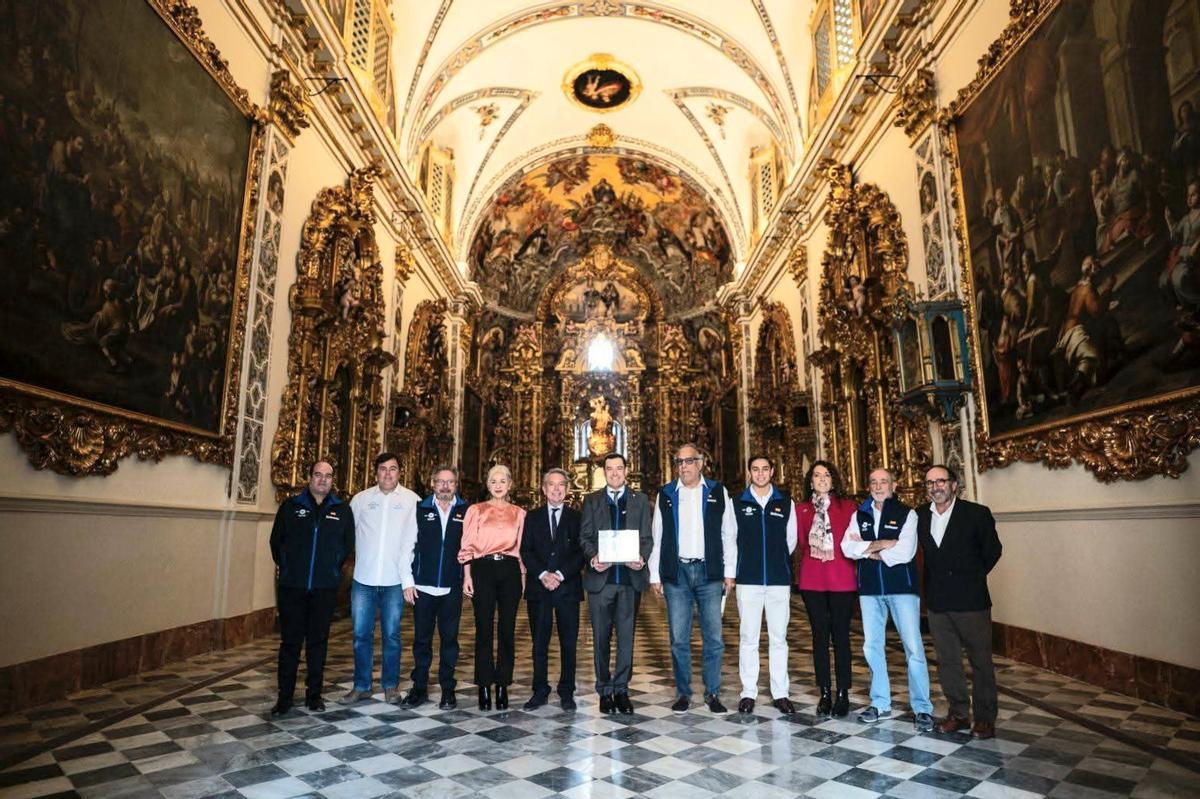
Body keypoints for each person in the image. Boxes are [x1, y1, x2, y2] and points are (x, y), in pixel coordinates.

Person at [841, 468, 935, 732]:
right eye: (873, 482)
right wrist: (882, 543)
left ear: (893, 485)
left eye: (884, 482)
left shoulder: (907, 514)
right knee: (872, 646)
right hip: (870, 589)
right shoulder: (859, 514)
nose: (878, 486)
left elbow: (904, 553)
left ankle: (923, 708)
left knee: (913, 647)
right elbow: (847, 547)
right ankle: (880, 703)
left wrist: (865, 548)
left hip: (901, 589)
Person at [649, 443, 737, 714]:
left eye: (688, 461)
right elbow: (657, 536)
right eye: (679, 462)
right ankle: (683, 693)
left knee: (714, 638)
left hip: (709, 573)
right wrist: (655, 574)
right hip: (677, 574)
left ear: (700, 463)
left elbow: (728, 534)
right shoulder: (666, 494)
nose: (683, 466)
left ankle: (712, 693)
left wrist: (729, 573)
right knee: (679, 638)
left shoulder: (718, 492)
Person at [917, 465, 1003, 740]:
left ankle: (985, 719)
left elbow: (993, 551)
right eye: (930, 483)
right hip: (938, 602)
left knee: (981, 661)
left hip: (971, 601)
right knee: (948, 661)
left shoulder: (976, 514)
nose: (936, 487)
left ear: (954, 485)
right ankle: (958, 714)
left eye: (941, 481)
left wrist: (971, 577)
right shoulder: (920, 515)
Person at [268, 461, 354, 716]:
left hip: (324, 588)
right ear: (309, 477)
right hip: (292, 587)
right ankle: (284, 697)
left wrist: (331, 569)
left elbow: (347, 544)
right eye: (318, 474)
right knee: (290, 643)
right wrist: (288, 567)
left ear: (332, 480)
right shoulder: (291, 507)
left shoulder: (342, 510)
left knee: (318, 643)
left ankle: (314, 695)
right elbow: (276, 542)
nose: (323, 480)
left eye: (328, 476)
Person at [340, 453, 420, 705]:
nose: (387, 473)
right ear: (376, 473)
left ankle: (390, 686)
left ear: (400, 472)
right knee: (360, 635)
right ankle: (361, 685)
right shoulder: (361, 500)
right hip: (363, 579)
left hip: (394, 581)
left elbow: (417, 541)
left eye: (393, 469)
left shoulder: (412, 501)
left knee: (392, 636)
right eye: (383, 469)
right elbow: (347, 534)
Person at [579, 452, 653, 714]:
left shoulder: (640, 500)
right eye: (609, 469)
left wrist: (642, 558)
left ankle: (621, 689)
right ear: (604, 472)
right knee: (600, 638)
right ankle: (603, 690)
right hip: (602, 581)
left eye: (619, 468)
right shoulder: (592, 500)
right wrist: (593, 557)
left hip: (629, 581)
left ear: (626, 471)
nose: (614, 473)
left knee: (626, 638)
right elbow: (585, 537)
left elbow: (647, 538)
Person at [398, 465, 470, 710]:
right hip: (423, 587)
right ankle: (419, 689)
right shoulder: (419, 509)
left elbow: (471, 547)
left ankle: (448, 690)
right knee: (421, 641)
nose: (445, 486)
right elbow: (406, 547)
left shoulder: (466, 511)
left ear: (456, 485)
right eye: (440, 481)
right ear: (432, 483)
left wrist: (466, 577)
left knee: (450, 641)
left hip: (451, 587)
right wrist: (408, 582)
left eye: (450, 482)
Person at [731, 455, 797, 716]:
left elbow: (790, 540)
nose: (760, 473)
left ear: (772, 471)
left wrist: (777, 560)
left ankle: (781, 693)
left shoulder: (786, 503)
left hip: (778, 580)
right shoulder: (737, 502)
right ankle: (748, 692)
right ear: (750, 472)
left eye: (765, 469)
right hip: (748, 579)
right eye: (755, 469)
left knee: (779, 638)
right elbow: (731, 538)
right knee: (749, 637)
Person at [458, 464, 526, 711]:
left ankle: (503, 684)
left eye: (502, 481)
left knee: (507, 629)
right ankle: (484, 685)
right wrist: (467, 576)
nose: (498, 485)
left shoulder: (520, 513)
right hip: (482, 569)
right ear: (487, 485)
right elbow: (467, 545)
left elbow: (522, 550)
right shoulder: (475, 510)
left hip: (510, 571)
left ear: (510, 485)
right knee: (483, 628)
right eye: (493, 481)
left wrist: (523, 579)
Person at [795, 460, 858, 718]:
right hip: (812, 579)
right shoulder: (801, 510)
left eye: (827, 475)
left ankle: (843, 693)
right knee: (819, 637)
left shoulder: (849, 507)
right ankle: (824, 693)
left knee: (841, 637)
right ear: (810, 481)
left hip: (842, 578)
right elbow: (802, 542)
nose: (822, 479)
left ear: (833, 480)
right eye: (817, 475)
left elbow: (854, 540)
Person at [520, 468, 585, 711]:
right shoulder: (532, 517)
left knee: (569, 643)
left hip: (567, 588)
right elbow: (526, 550)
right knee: (539, 643)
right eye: (551, 484)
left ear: (567, 489)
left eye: (561, 485)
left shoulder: (577, 517)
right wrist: (542, 574)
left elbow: (581, 552)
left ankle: (567, 691)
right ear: (544, 489)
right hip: (539, 589)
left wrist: (559, 575)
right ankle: (540, 690)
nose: (556, 489)